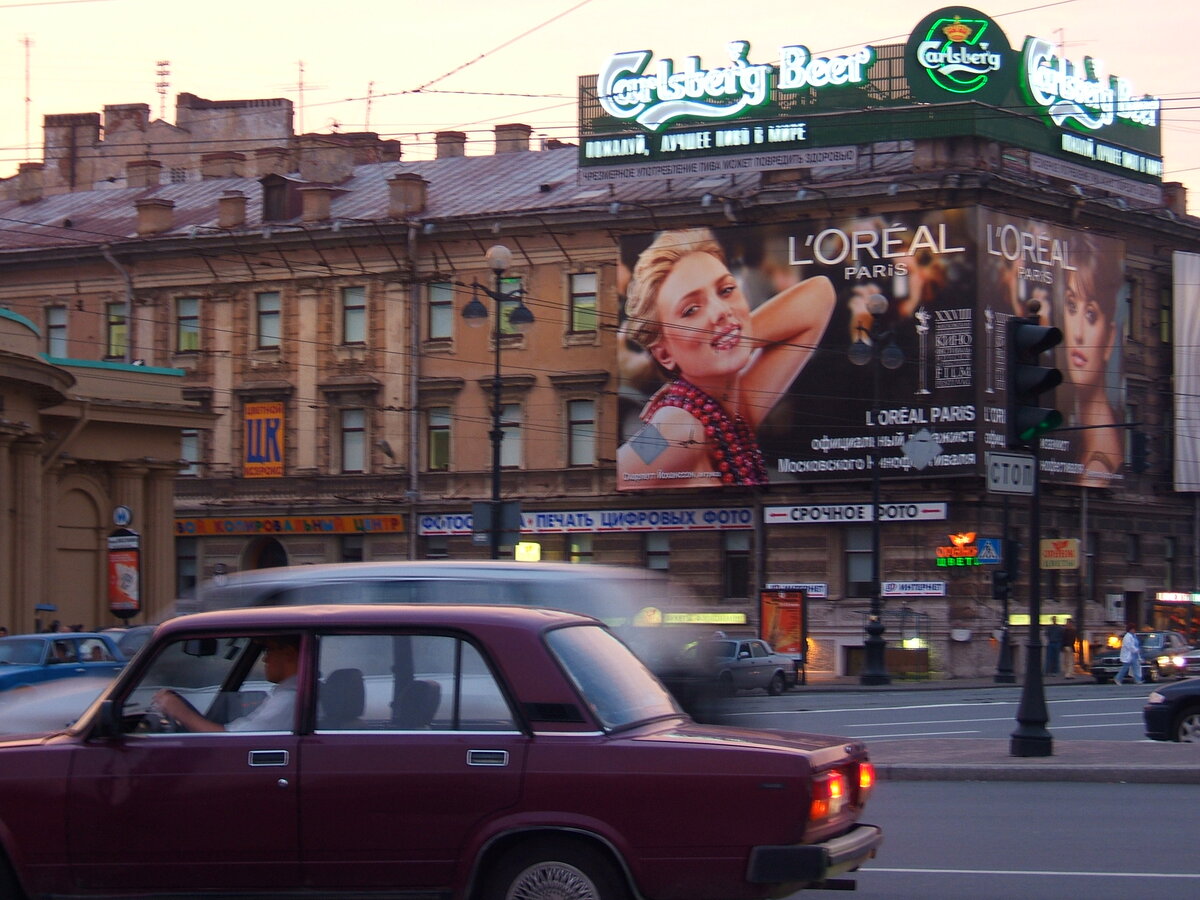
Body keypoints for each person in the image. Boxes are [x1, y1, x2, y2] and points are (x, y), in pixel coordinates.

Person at [617, 228, 835, 488]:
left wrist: (730, 336)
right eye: (691, 309)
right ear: (664, 353)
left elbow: (818, 296)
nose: (721, 310)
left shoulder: (733, 404)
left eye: (726, 290)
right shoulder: (678, 426)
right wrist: (721, 338)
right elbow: (622, 473)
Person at [1059, 238, 1123, 486]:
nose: (1077, 333)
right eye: (1072, 306)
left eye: (1091, 314)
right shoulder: (1085, 445)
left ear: (1109, 338)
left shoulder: (1096, 471)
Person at [153, 635, 300, 732]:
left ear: (288, 653)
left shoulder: (289, 700)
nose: (264, 659)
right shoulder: (291, 694)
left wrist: (179, 711)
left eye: (268, 650)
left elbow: (232, 739)